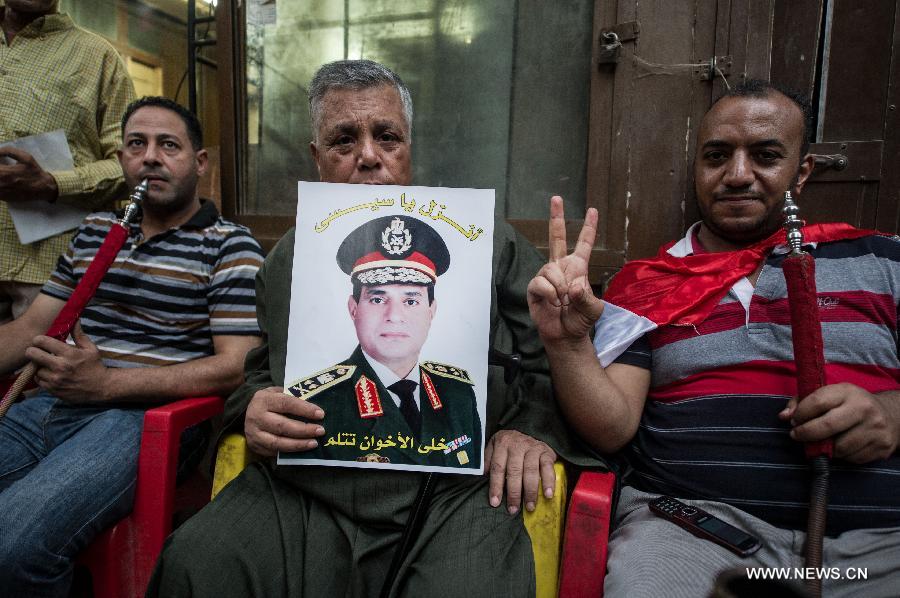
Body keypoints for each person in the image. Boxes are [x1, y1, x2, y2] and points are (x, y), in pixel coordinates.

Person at [149, 59, 593, 597]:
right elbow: (258, 372)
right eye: (343, 140)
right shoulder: (287, 260)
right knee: (196, 564)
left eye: (387, 137)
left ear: (408, 148)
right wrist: (256, 409)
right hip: (308, 488)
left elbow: (550, 361)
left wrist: (532, 429)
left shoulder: (485, 240)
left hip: (456, 490)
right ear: (316, 158)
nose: (368, 156)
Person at [528, 80, 900, 597]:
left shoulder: (882, 262)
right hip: (695, 534)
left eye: (766, 155)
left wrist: (891, 413)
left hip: (877, 548)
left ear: (803, 171)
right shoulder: (648, 281)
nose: (738, 175)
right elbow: (612, 428)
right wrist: (568, 343)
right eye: (717, 156)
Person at [0, 96, 264, 597]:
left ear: (199, 162)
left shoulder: (229, 245)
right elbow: (31, 327)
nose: (150, 158)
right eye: (136, 144)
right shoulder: (95, 232)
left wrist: (106, 385)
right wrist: (81, 386)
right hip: (51, 407)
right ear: (121, 158)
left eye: (169, 145)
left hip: (143, 422)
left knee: (13, 548)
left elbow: (235, 368)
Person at [286, 214, 482, 468]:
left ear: (431, 311)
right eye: (378, 299)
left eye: (411, 301)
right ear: (353, 308)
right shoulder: (316, 403)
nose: (395, 316)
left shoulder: (459, 395)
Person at [0, 0, 135, 322]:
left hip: (46, 272)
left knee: (37, 372)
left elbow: (132, 164)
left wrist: (52, 183)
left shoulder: (97, 57)